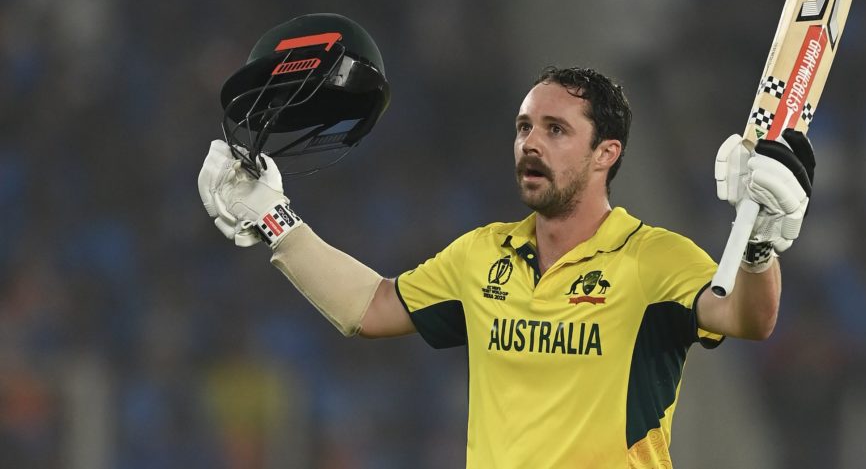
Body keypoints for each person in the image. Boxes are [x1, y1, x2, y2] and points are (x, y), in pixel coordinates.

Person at [198, 66, 814, 468]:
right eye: (524, 128)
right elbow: (369, 308)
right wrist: (275, 220)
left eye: (554, 129)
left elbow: (746, 316)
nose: (530, 144)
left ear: (607, 154)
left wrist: (759, 249)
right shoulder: (482, 254)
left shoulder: (653, 258)